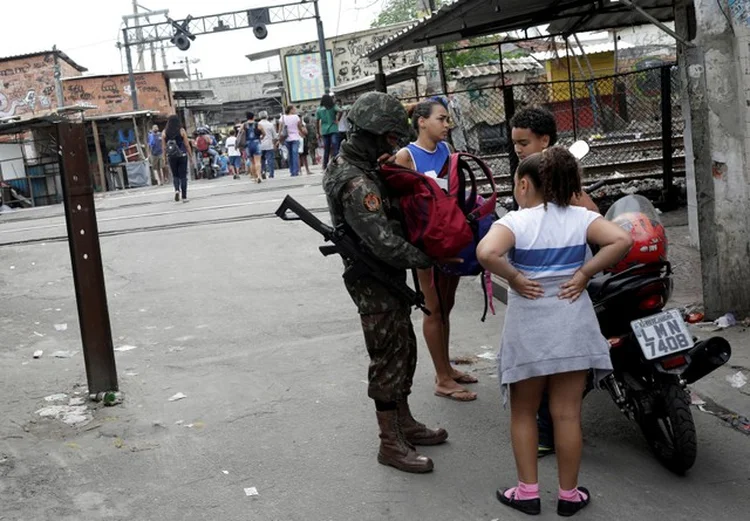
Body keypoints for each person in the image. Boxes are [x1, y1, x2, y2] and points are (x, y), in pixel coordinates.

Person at [476, 147, 631, 517]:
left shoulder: (514, 222)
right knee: (567, 414)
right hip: (572, 329)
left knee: (524, 412)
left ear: (524, 184)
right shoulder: (581, 218)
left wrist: (513, 276)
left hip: (528, 332)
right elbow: (622, 240)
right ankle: (569, 495)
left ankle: (527, 492)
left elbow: (486, 253)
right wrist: (583, 274)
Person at [322, 91, 449, 474]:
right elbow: (384, 242)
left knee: (403, 348)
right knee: (387, 356)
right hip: (374, 278)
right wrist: (431, 258)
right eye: (389, 137)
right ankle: (390, 442)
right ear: (374, 133)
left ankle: (404, 422)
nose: (393, 144)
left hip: (384, 274)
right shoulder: (355, 181)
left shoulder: (358, 164)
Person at [510, 106, 600, 456]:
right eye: (515, 142)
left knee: (544, 371)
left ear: (544, 140)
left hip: (550, 291)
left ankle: (545, 436)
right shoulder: (541, 171)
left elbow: (592, 215)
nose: (517, 148)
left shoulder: (553, 177)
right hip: (557, 284)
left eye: (523, 142)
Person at [393, 99, 477, 402]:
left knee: (447, 304)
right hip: (425, 243)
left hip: (448, 239)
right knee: (433, 308)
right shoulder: (406, 156)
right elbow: (396, 202)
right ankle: (442, 378)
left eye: (447, 120)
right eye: (441, 119)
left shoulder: (445, 150)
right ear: (421, 122)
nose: (446, 125)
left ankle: (447, 367)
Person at [161, 115, 192, 202]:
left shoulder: (164, 132)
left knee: (175, 175)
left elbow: (163, 147)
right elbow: (187, 145)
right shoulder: (181, 131)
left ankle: (177, 190)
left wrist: (164, 158)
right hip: (182, 155)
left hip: (171, 156)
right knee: (183, 176)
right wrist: (190, 156)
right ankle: (184, 197)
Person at [316, 94, 341, 169]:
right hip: (334, 129)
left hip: (324, 131)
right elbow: (341, 111)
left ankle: (325, 165)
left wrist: (317, 132)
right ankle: (336, 163)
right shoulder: (333, 106)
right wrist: (337, 119)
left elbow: (317, 121)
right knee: (335, 146)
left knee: (326, 148)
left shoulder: (319, 109)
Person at [280, 105, 304, 177]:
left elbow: (280, 129)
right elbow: (299, 127)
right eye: (294, 109)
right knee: (295, 154)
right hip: (295, 138)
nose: (295, 110)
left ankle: (291, 171)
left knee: (290, 155)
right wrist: (302, 133)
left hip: (286, 138)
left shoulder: (282, 117)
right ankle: (295, 171)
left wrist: (279, 137)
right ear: (291, 110)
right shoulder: (296, 117)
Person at [243, 112, 265, 183]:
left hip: (248, 144)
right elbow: (264, 133)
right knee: (258, 161)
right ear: (253, 117)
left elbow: (240, 135)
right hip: (256, 143)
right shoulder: (258, 124)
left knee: (252, 162)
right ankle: (259, 176)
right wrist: (261, 137)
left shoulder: (244, 125)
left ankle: (255, 177)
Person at [258, 111, 278, 179]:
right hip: (269, 145)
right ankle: (271, 174)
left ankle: (263, 171)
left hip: (260, 145)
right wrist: (274, 144)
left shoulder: (258, 124)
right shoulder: (270, 124)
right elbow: (275, 136)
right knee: (270, 160)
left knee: (261, 160)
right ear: (267, 116)